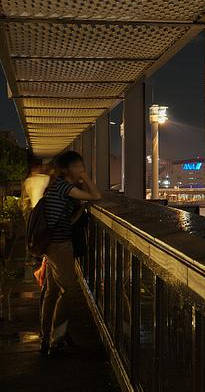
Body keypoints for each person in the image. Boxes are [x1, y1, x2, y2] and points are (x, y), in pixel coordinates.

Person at [40, 151, 102, 355]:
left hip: (52, 244)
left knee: (52, 292)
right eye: (78, 165)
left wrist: (80, 208)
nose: (81, 168)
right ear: (68, 168)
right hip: (59, 245)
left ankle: (46, 337)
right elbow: (96, 195)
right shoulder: (64, 186)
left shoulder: (56, 185)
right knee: (69, 291)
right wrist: (84, 177)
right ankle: (57, 340)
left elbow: (65, 220)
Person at [21, 157, 51, 264]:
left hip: (33, 210)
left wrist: (25, 214)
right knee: (42, 232)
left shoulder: (28, 181)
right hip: (43, 209)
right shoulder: (45, 178)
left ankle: (35, 252)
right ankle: (41, 253)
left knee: (34, 233)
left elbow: (25, 198)